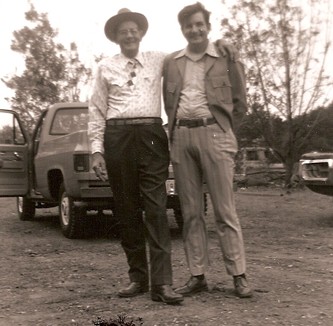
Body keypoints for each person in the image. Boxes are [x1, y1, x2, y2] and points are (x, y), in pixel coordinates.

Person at [88, 8, 183, 304]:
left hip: (152, 136)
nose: (129, 35)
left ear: (141, 33)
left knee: (156, 209)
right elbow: (96, 111)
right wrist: (96, 151)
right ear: (116, 37)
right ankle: (138, 278)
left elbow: (190, 55)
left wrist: (221, 48)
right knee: (127, 209)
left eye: (133, 30)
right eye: (123, 32)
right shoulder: (105, 67)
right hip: (117, 137)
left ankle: (163, 284)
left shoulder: (159, 59)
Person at [162, 2, 253, 298]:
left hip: (215, 133)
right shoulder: (173, 62)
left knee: (225, 209)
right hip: (182, 136)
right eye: (189, 26)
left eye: (200, 24)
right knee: (190, 212)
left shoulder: (225, 56)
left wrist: (224, 129)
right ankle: (197, 274)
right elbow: (168, 102)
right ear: (183, 30)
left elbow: (240, 102)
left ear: (208, 27)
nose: (195, 29)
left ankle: (238, 274)